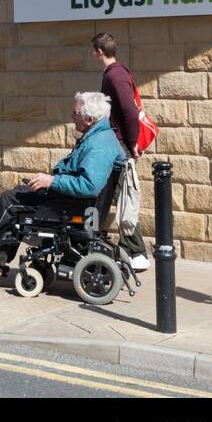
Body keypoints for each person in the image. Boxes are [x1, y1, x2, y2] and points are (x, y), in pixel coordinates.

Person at [0, 91, 125, 284]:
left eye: (75, 113)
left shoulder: (98, 145)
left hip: (73, 207)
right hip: (71, 200)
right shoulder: (99, 136)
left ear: (89, 119)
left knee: (9, 201)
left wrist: (51, 181)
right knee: (20, 193)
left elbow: (89, 186)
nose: (72, 117)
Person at [92, 33, 152, 271]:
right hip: (114, 144)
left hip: (119, 146)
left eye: (93, 51)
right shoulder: (115, 72)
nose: (92, 54)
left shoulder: (115, 74)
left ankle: (136, 252)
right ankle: (92, 236)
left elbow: (128, 109)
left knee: (121, 195)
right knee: (103, 193)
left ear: (99, 51)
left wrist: (134, 142)